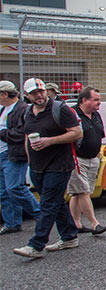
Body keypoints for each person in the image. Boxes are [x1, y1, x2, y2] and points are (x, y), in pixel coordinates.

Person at [12, 77, 83, 259]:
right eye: (35, 93)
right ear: (27, 95)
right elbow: (27, 137)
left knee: (48, 204)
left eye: (41, 91)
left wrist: (49, 141)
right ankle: (69, 236)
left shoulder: (60, 109)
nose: (40, 95)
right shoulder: (27, 112)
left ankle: (36, 244)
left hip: (59, 165)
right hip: (37, 167)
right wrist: (30, 161)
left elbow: (76, 132)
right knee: (56, 202)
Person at [0, 80, 40, 235]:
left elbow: (21, 133)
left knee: (15, 187)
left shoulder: (22, 109)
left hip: (13, 154)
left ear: (5, 94)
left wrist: (2, 133)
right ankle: (12, 222)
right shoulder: (3, 109)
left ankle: (40, 214)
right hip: (3, 154)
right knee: (4, 191)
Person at [68, 86, 106, 235]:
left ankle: (75, 224)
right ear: (84, 100)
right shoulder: (72, 114)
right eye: (96, 99)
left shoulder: (95, 115)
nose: (99, 103)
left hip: (93, 158)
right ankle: (94, 223)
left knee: (77, 193)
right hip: (77, 158)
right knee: (83, 191)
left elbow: (99, 134)